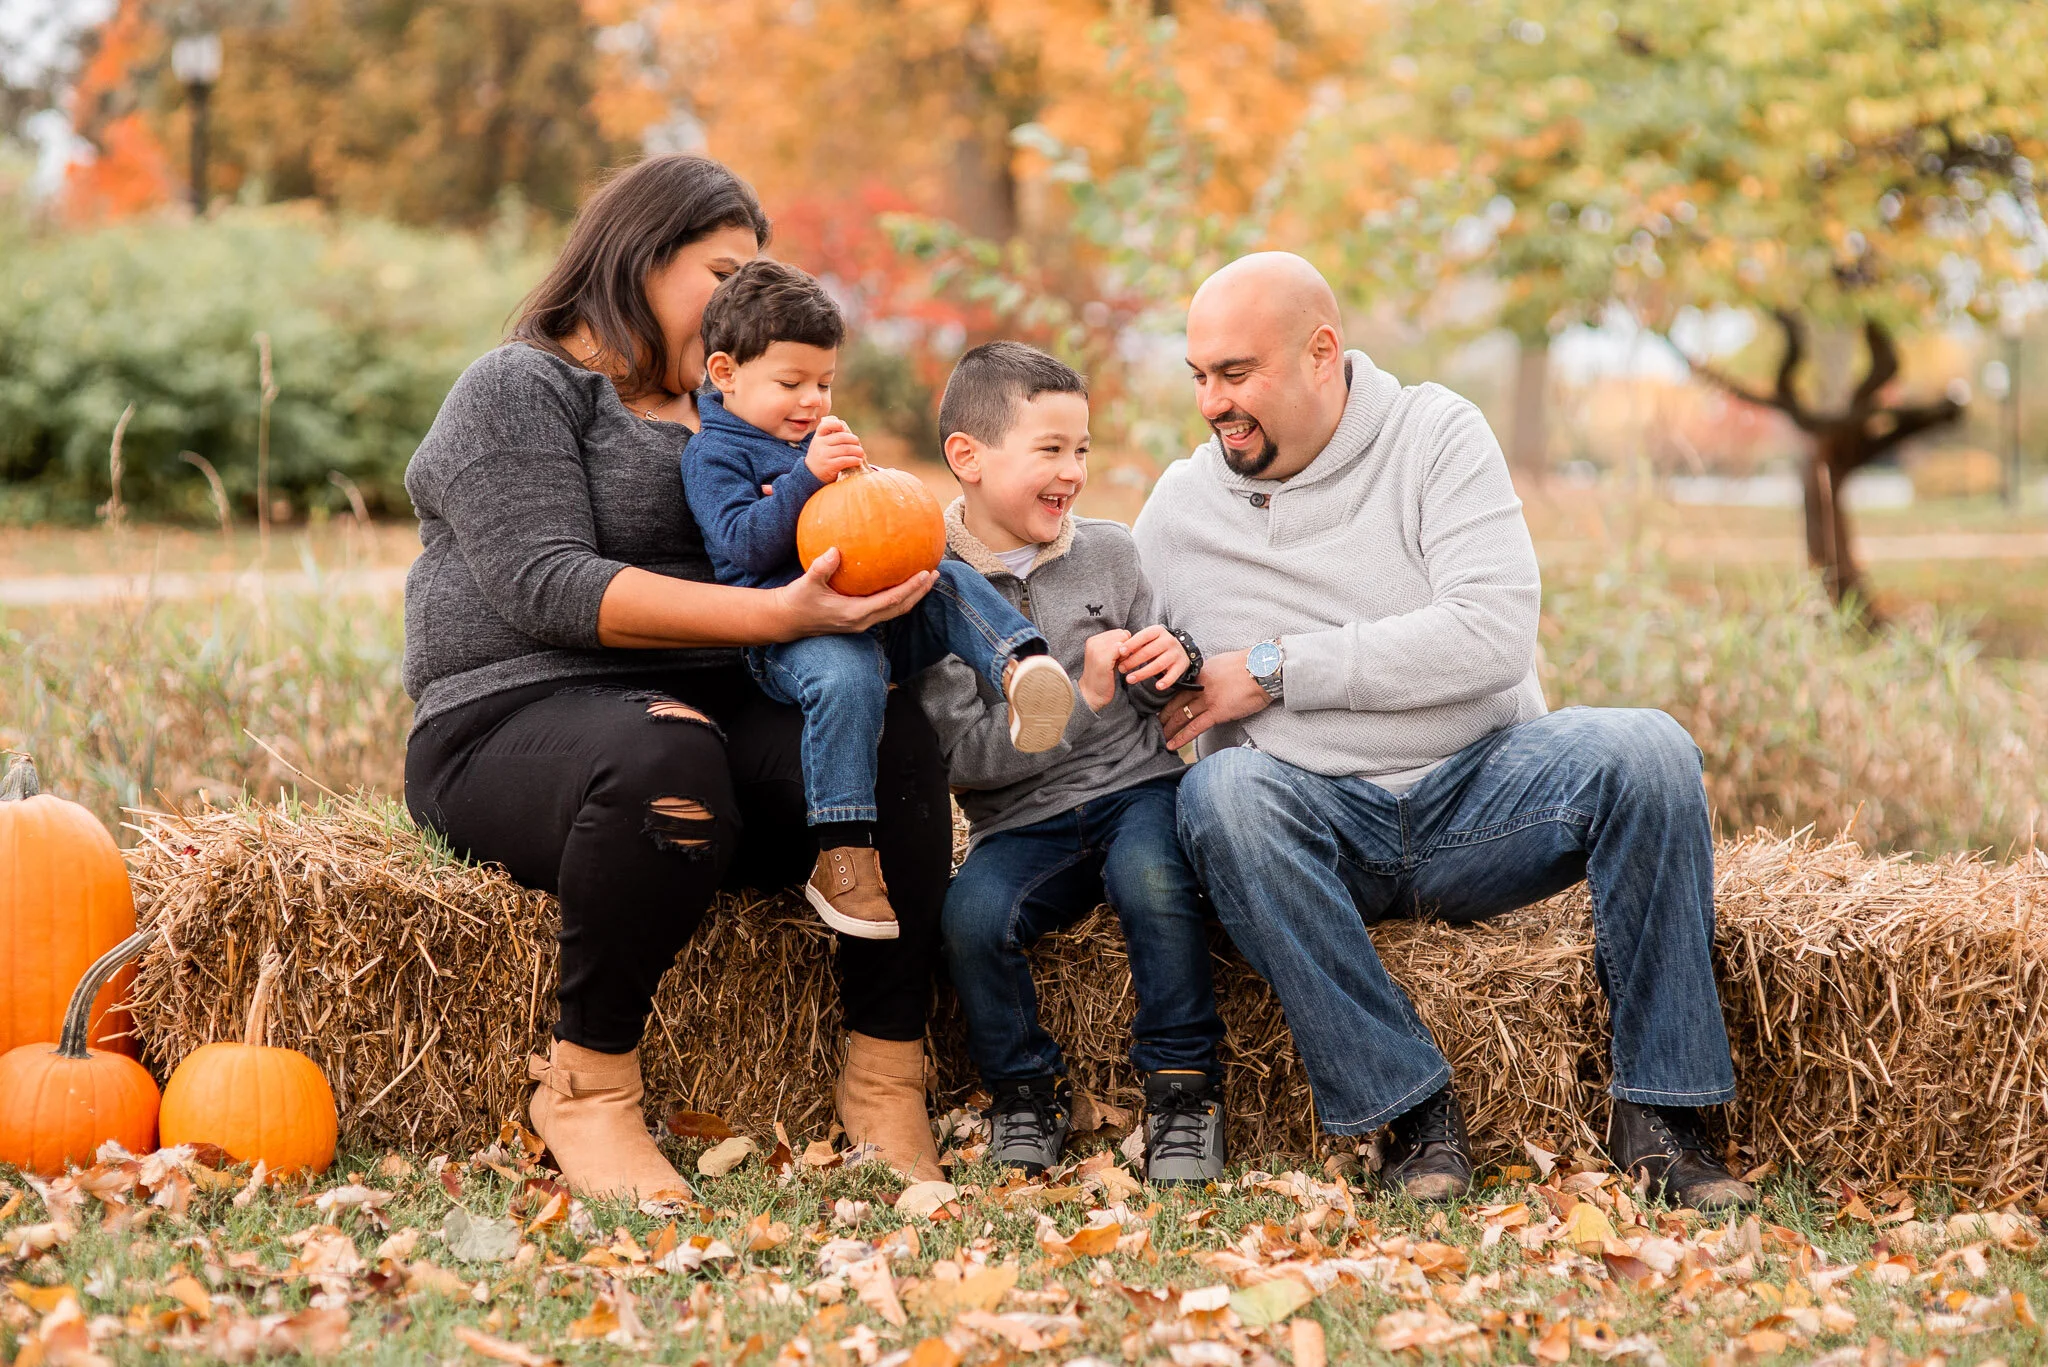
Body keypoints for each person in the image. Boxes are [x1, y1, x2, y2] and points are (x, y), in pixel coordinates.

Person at [1133, 252, 1755, 1210]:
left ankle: (1662, 1118)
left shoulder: (1434, 435)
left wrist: (1273, 669)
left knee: (1650, 749)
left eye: (1236, 373)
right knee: (1223, 796)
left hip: (1484, 795)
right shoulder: (1179, 509)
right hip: (1314, 828)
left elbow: (1489, 636)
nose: (1213, 401)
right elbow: (1115, 658)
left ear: (1321, 353)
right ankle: (1411, 1115)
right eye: (1200, 377)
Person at [402, 154, 953, 1199]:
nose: (742, 294)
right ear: (640, 257)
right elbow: (543, 582)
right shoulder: (519, 386)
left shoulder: (745, 409)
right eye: (721, 268)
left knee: (892, 736)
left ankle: (885, 1073)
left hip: (713, 700)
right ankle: (587, 1088)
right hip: (514, 718)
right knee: (665, 756)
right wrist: (776, 610)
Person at [684, 263, 1077, 941]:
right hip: (790, 640)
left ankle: (1021, 668)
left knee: (946, 578)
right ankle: (843, 854)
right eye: (792, 383)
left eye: (825, 383)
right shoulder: (714, 454)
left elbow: (858, 522)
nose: (813, 400)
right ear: (725, 373)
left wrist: (855, 483)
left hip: (868, 612)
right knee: (847, 670)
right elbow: (746, 544)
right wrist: (810, 477)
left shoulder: (804, 440)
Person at [913, 342, 1228, 1185]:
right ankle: (1025, 1092)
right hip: (1019, 822)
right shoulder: (930, 590)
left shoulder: (1111, 554)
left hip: (1136, 793)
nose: (1074, 471)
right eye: (1050, 450)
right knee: (972, 919)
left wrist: (1177, 659)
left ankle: (1183, 1095)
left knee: (1157, 887)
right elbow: (965, 763)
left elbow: (1168, 695)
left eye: (1082, 449)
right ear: (967, 458)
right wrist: (1079, 701)